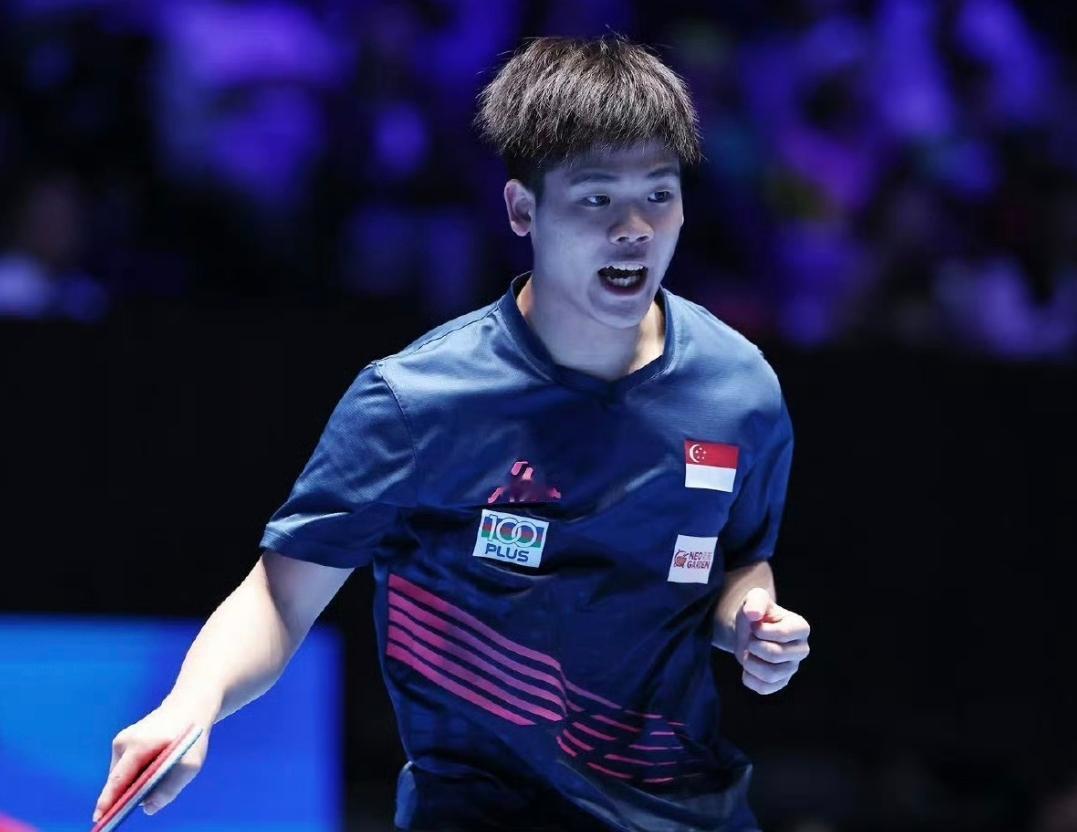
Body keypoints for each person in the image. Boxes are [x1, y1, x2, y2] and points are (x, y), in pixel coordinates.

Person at [93, 35, 811, 832]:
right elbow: (281, 595)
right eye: (596, 198)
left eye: (658, 194)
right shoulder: (416, 403)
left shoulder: (736, 388)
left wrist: (751, 624)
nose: (634, 228)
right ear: (522, 209)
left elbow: (736, 559)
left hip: (686, 811)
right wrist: (192, 704)